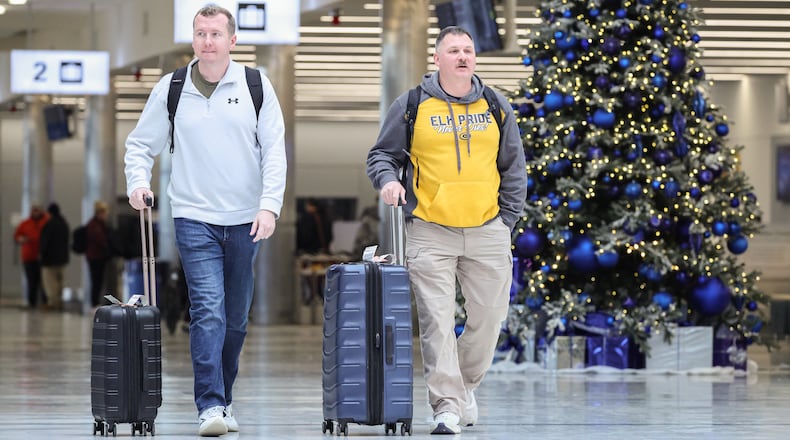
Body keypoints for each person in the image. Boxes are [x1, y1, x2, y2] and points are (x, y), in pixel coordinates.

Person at [124, 4, 286, 437]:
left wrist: (269, 205)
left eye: (215, 34)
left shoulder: (255, 85)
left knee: (235, 318)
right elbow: (140, 144)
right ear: (193, 39)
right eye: (200, 33)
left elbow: (274, 151)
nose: (207, 41)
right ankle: (210, 405)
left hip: (245, 219)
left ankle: (224, 396)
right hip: (193, 215)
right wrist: (137, 183)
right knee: (208, 311)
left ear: (232, 41)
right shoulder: (172, 88)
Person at [366, 26, 527, 435]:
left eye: (468, 50)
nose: (462, 56)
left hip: (488, 229)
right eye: (453, 50)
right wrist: (387, 180)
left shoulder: (495, 105)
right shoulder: (414, 104)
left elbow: (514, 168)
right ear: (437, 59)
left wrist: (506, 220)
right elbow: (381, 154)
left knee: (489, 319)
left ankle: (462, 388)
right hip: (429, 230)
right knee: (438, 322)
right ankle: (446, 409)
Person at [13, 204, 49, 308]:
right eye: (34, 210)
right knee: (31, 281)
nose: (36, 212)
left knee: (44, 282)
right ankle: (31, 302)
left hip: (43, 257)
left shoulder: (46, 222)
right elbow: (16, 236)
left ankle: (45, 303)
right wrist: (20, 239)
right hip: (29, 257)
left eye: (38, 210)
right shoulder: (25, 224)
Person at [39, 202, 70, 310]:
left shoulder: (49, 224)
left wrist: (42, 254)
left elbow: (45, 242)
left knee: (50, 283)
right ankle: (59, 302)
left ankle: (52, 303)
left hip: (49, 260)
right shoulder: (64, 223)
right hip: (62, 260)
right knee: (60, 282)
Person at [85, 200, 113, 307]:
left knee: (98, 281)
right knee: (96, 281)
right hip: (95, 257)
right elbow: (100, 240)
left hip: (97, 257)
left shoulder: (98, 224)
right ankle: (94, 303)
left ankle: (96, 302)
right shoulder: (95, 225)